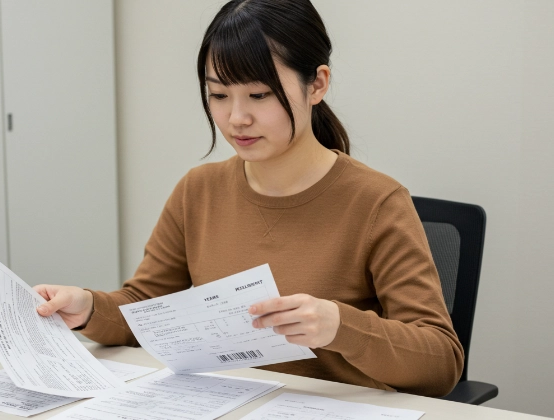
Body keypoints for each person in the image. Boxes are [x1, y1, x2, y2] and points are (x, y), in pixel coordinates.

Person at [34, 0, 463, 397]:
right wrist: (90, 308)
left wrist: (339, 326)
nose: (236, 118)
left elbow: (441, 362)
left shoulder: (376, 202)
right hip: (222, 402)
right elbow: (145, 309)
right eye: (219, 95)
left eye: (259, 95)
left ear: (317, 84)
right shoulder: (198, 190)